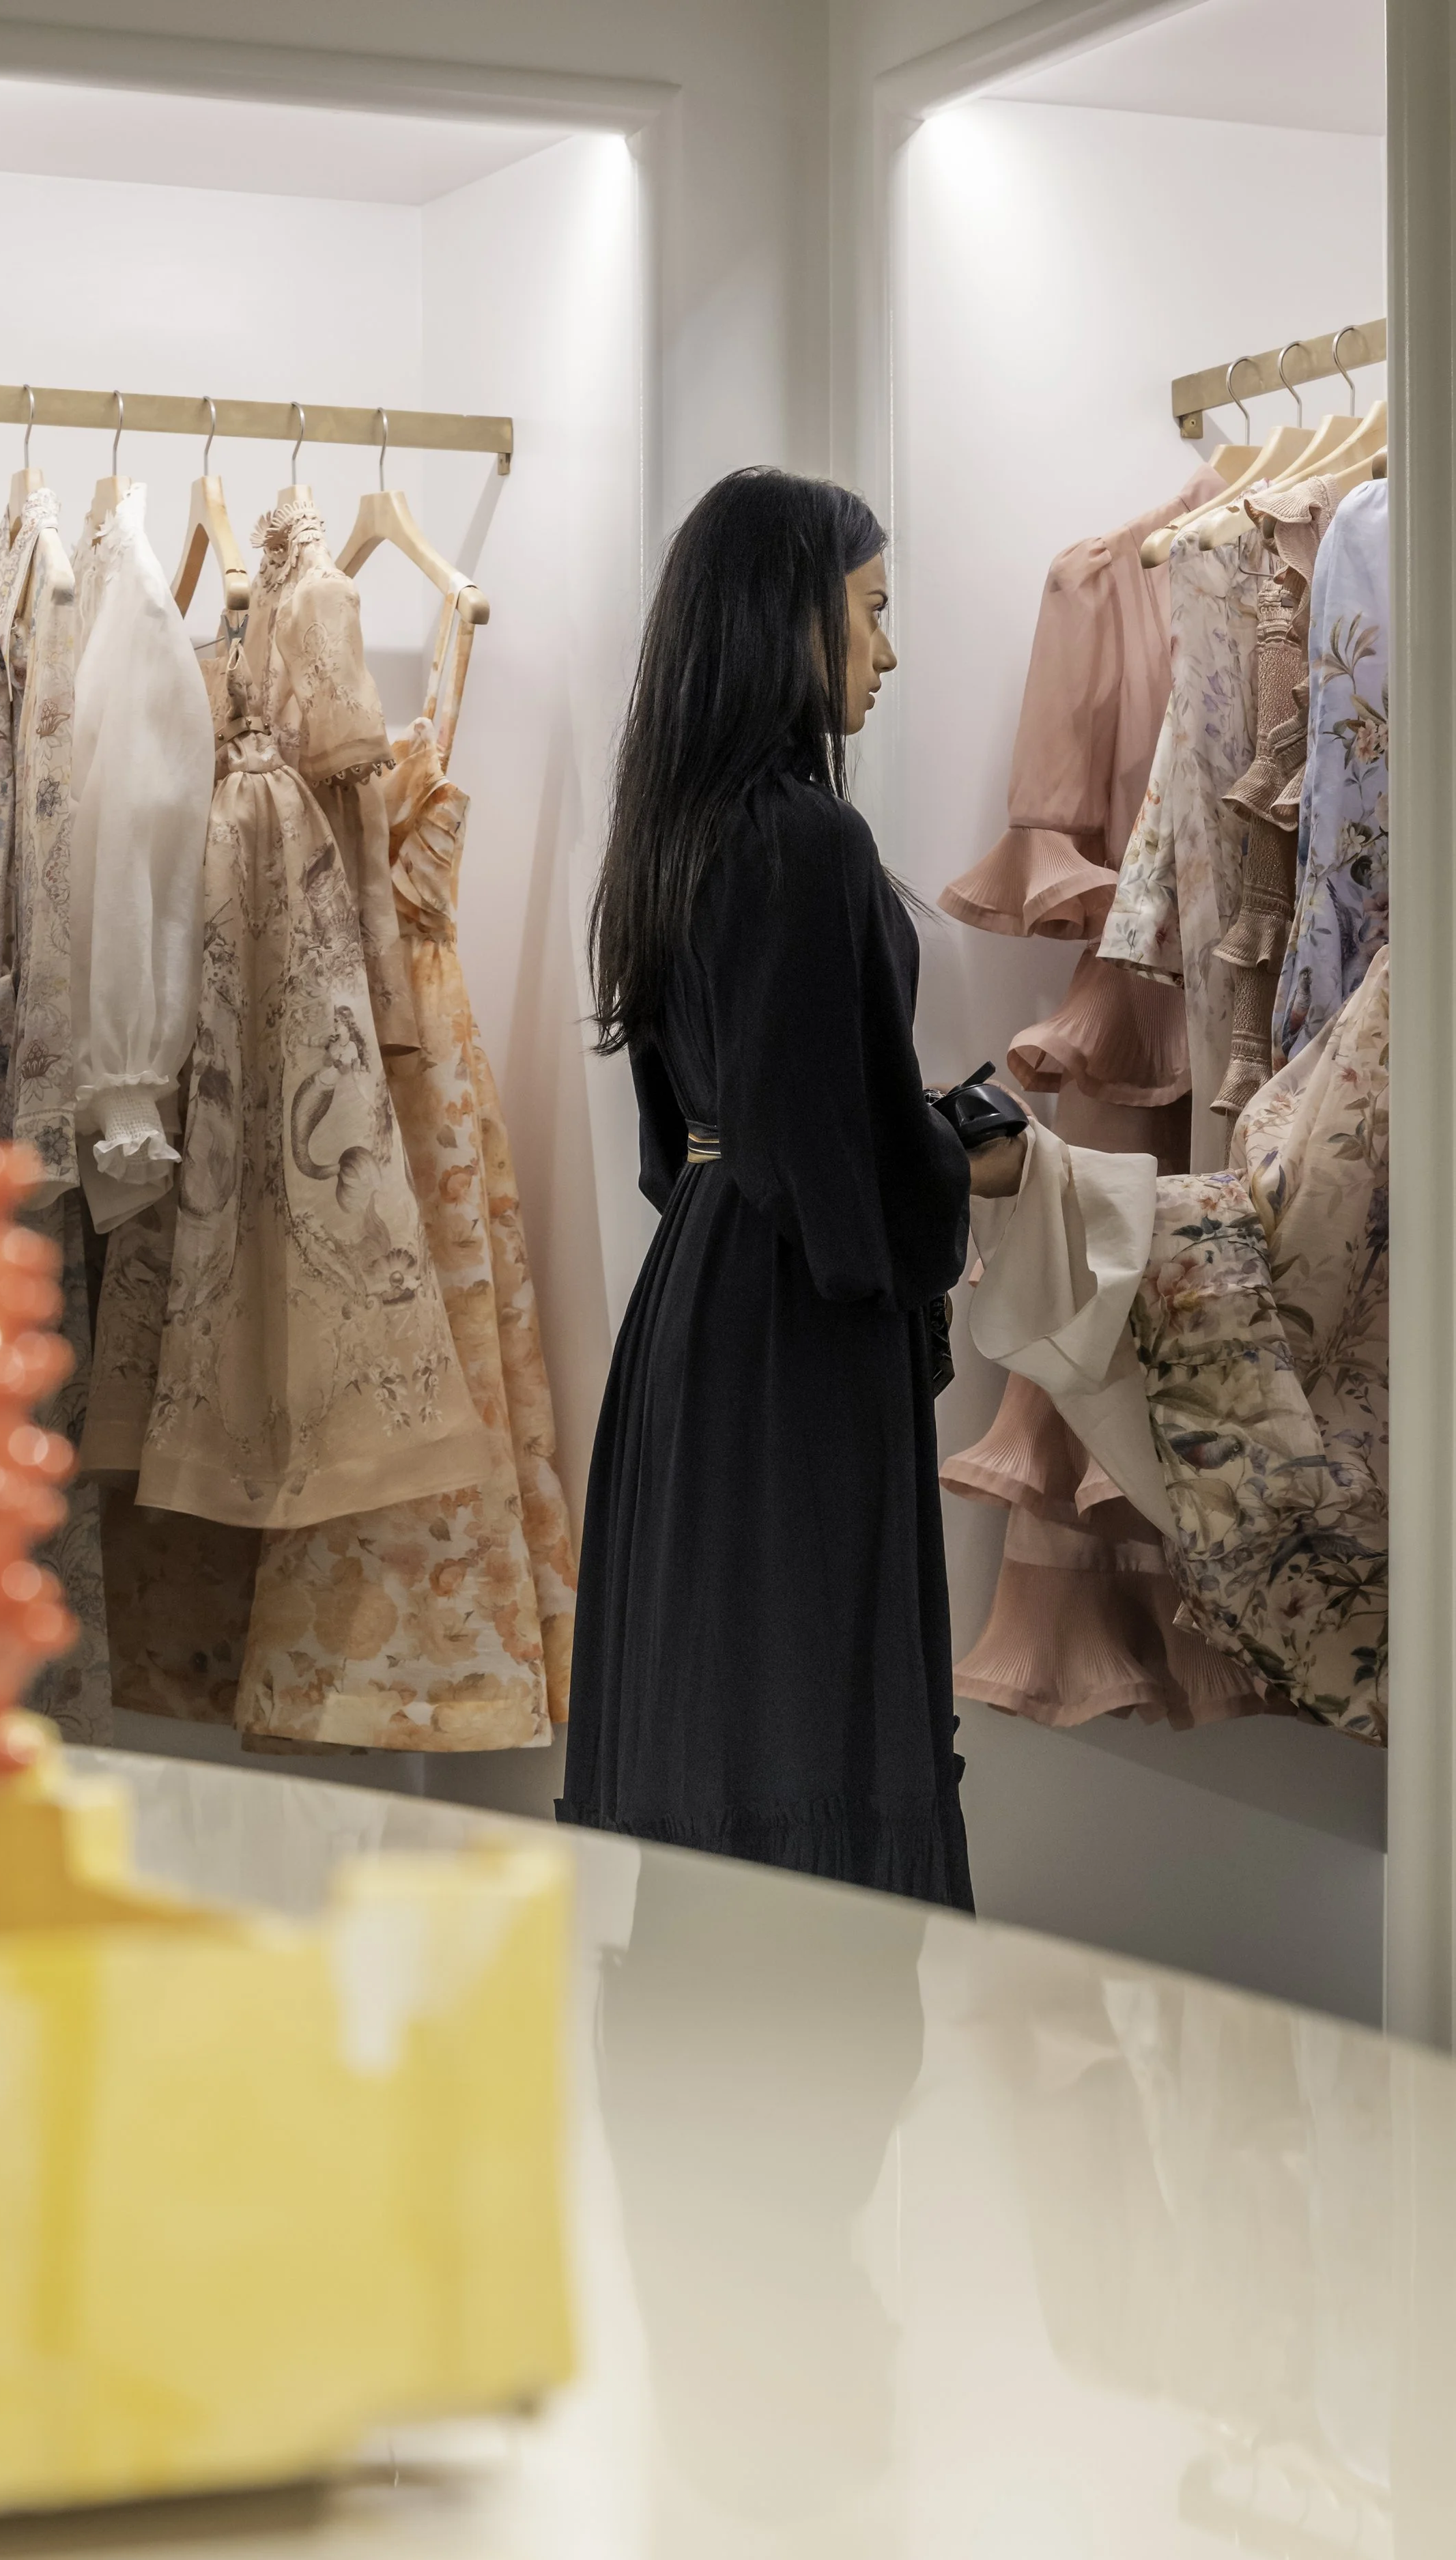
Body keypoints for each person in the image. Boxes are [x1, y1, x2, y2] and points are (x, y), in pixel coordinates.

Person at [558, 467, 1024, 1906]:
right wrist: (966, 1155)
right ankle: (811, 2058)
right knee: (810, 1700)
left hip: (694, 1308)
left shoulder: (668, 837)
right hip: (793, 1338)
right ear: (790, 619)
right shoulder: (812, 842)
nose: (885, 652)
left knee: (711, 1700)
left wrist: (900, 1137)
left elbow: (697, 1134)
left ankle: (712, 2062)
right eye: (871, 613)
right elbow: (845, 1176)